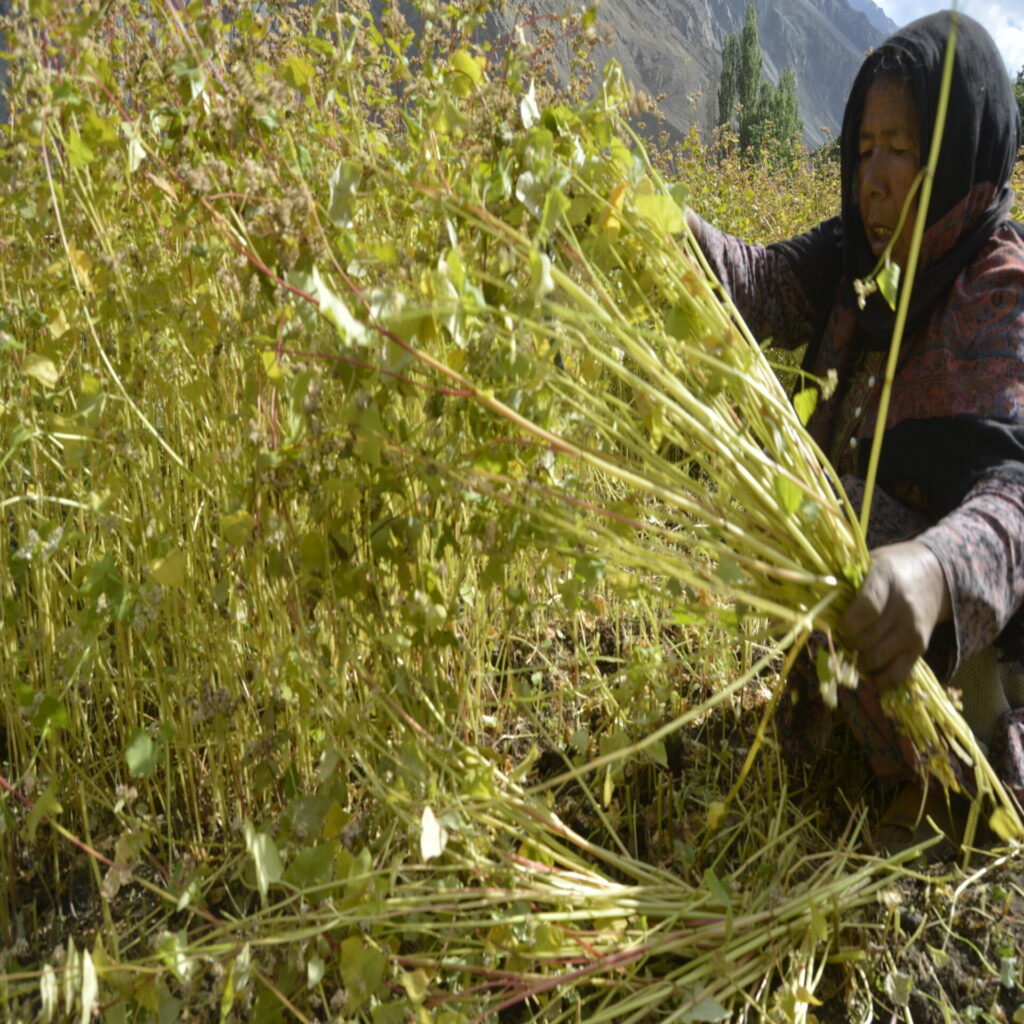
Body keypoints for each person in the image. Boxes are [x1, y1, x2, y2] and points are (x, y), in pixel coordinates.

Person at [687, 9, 1024, 852]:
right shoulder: (859, 257)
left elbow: (1016, 495)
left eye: (902, 149)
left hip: (966, 645)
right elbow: (759, 285)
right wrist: (660, 231)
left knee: (837, 513)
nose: (873, 178)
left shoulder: (998, 289)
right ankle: (855, 732)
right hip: (869, 601)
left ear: (959, 155)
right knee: (787, 492)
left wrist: (934, 573)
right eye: (863, 147)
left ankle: (954, 782)